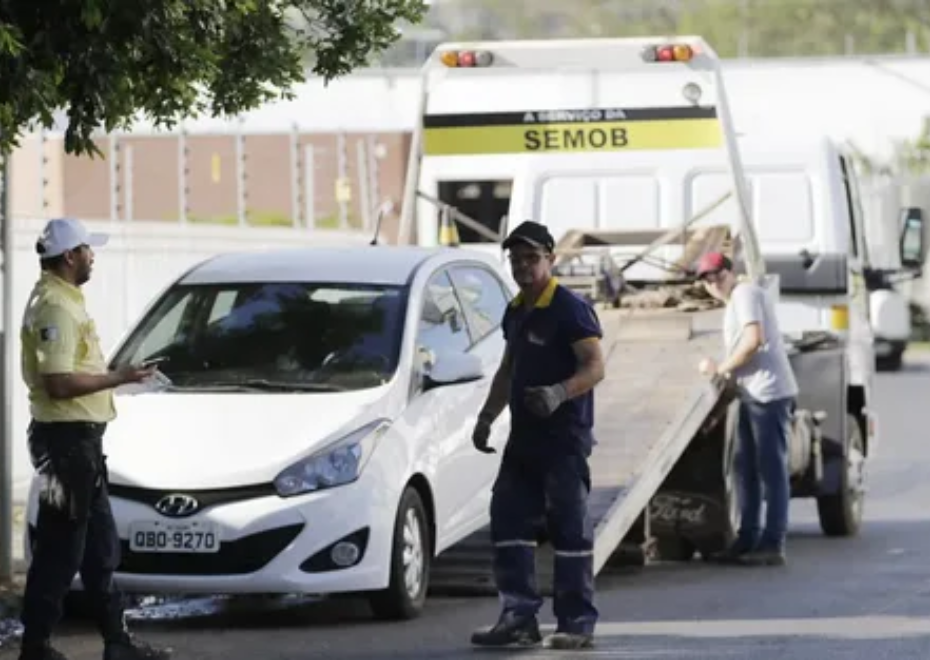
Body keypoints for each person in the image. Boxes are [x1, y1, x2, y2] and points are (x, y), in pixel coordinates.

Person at [18, 218, 172, 660]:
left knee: (100, 549)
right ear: (69, 256)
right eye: (87, 249)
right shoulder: (55, 308)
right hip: (65, 446)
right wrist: (118, 376)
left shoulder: (66, 300)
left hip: (81, 446)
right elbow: (59, 383)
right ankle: (36, 645)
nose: (92, 256)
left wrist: (121, 378)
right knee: (60, 550)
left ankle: (117, 642)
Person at [469, 220, 606, 650]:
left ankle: (576, 622)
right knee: (507, 520)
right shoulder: (517, 309)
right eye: (516, 259)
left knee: (567, 529)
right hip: (524, 440)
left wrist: (559, 392)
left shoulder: (569, 308)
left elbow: (595, 366)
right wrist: (487, 416)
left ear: (551, 258)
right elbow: (509, 366)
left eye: (532, 258)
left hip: (563, 440)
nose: (523, 266)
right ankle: (518, 617)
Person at [695, 251, 799, 567]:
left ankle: (773, 543)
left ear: (731, 272)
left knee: (770, 470)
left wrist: (721, 369)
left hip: (769, 394)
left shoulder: (745, 294)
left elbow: (754, 340)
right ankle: (747, 538)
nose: (713, 283)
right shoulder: (735, 301)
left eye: (717, 275)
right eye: (706, 279)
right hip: (751, 393)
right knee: (744, 469)